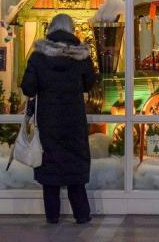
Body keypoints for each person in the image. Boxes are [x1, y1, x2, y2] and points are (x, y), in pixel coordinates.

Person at [21, 13, 96, 224]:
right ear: (72, 30)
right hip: (74, 120)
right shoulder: (81, 55)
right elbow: (89, 83)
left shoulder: (38, 56)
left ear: (50, 29)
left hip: (48, 120)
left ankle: (52, 217)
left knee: (50, 167)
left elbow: (28, 88)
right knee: (74, 165)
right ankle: (82, 215)